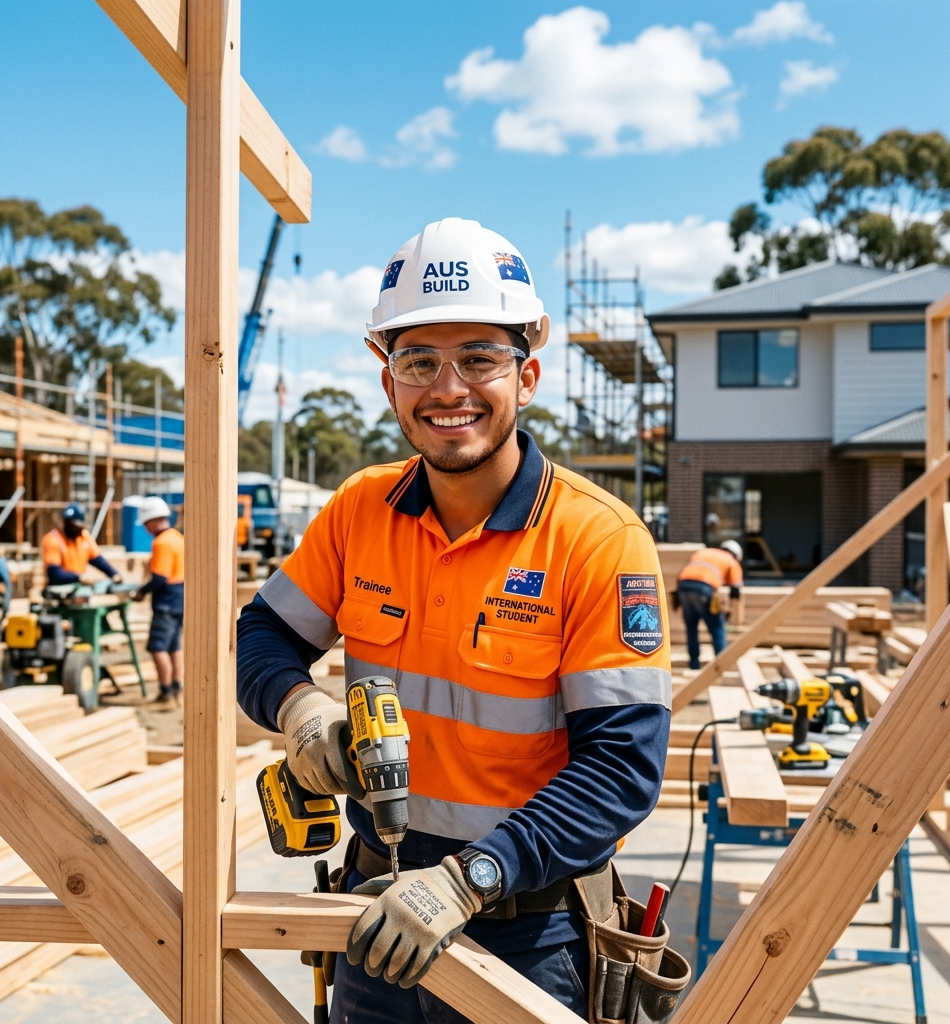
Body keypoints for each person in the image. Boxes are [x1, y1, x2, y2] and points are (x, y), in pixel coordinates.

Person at [236, 218, 671, 1021]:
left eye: (479, 358)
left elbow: (622, 769)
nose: (448, 389)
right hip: (377, 912)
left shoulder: (596, 540)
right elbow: (261, 634)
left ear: (528, 375)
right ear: (388, 378)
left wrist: (472, 877)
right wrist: (303, 714)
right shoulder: (360, 510)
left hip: (531, 931)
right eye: (419, 361)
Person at [133, 497, 184, 706]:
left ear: (153, 521)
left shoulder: (161, 542)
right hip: (181, 596)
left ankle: (165, 691)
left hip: (167, 600)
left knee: (157, 647)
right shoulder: (177, 537)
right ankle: (176, 686)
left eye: (146, 523)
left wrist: (141, 592)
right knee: (173, 646)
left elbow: (159, 578)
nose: (145, 528)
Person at [676, 539, 744, 670]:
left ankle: (694, 665)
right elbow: (735, 591)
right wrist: (730, 611)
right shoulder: (731, 561)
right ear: (735, 554)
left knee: (691, 628)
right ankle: (722, 665)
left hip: (683, 587)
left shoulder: (703, 552)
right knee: (717, 628)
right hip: (704, 588)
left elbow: (689, 571)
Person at [40, 504, 122, 586]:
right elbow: (54, 574)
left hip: (78, 584)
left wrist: (113, 574)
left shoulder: (83, 536)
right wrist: (78, 577)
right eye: (69, 524)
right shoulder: (52, 539)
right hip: (60, 586)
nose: (72, 528)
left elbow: (98, 560)